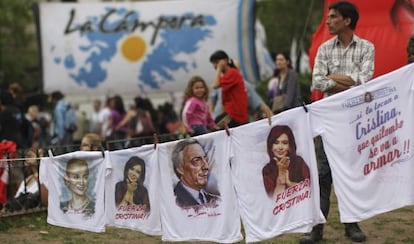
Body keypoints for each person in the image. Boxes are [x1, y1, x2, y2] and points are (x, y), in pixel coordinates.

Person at [300, 2, 375, 243]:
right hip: (328, 120)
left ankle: (351, 225)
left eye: (333, 17)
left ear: (347, 21)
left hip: (354, 121)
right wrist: (347, 81)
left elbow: (365, 81)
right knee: (322, 173)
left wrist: (332, 77)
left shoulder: (366, 47)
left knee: (349, 172)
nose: (328, 21)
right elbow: (317, 83)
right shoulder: (323, 49)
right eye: (328, 16)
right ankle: (317, 229)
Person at [262, 125, 310, 199]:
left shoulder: (299, 162)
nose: (280, 147)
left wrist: (290, 184)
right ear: (270, 146)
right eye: (276, 143)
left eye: (284, 143)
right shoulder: (267, 169)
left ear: (290, 145)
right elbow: (274, 200)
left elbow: (309, 189)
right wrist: (281, 177)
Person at [171, 138, 219, 209]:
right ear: (180, 169)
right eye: (196, 160)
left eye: (205, 159)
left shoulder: (215, 200)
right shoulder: (174, 201)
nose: (206, 167)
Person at [209, 50, 249, 128]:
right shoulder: (226, 75)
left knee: (216, 127)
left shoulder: (232, 73)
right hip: (231, 114)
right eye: (213, 63)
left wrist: (219, 68)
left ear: (226, 61)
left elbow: (215, 85)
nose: (215, 66)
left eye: (217, 62)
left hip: (235, 115)